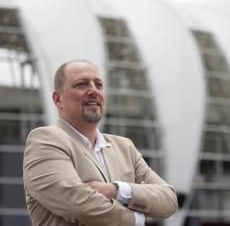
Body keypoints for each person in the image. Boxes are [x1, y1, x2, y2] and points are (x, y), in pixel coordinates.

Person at [23, 60, 178, 226]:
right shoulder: (45, 140)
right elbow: (80, 206)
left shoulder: (125, 147)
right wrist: (137, 218)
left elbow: (169, 200)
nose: (93, 91)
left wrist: (117, 190)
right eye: (81, 84)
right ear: (58, 99)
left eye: (99, 85)